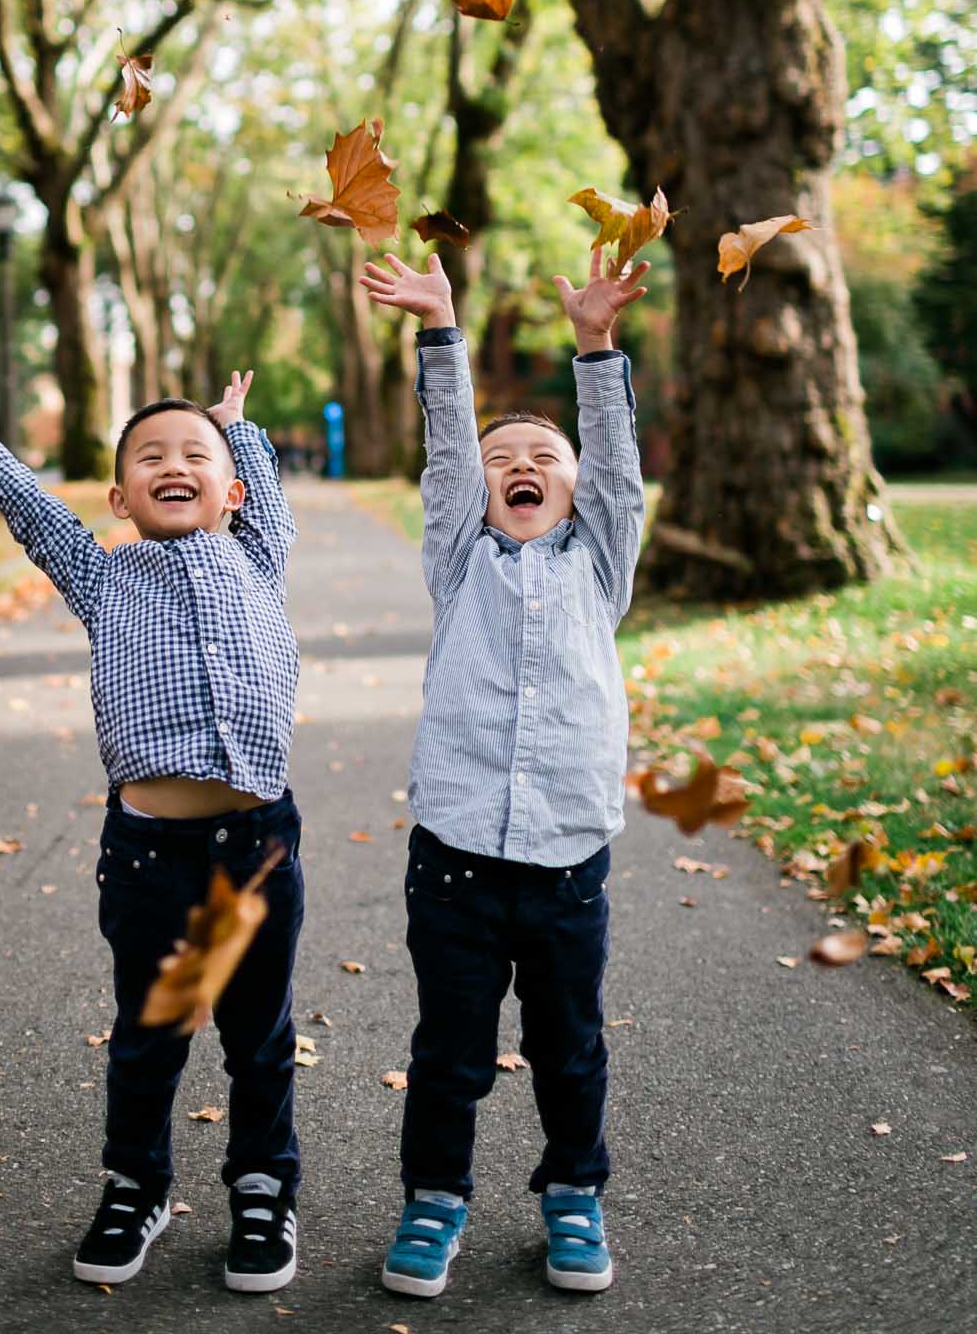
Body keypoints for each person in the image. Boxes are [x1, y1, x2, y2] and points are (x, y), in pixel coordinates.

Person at [0, 372, 303, 1295]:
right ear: (119, 497)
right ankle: (135, 1187)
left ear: (232, 490)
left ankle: (264, 1187)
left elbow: (262, 487)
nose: (174, 465)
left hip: (256, 845)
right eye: (150, 457)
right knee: (149, 1032)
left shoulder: (258, 556)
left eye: (197, 456)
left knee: (257, 1032)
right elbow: (36, 514)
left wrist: (241, 428)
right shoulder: (100, 571)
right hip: (151, 851)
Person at [357, 244, 648, 1298]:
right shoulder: (458, 556)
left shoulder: (601, 563)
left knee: (569, 1046)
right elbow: (446, 449)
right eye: (502, 455)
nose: (520, 461)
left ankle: (575, 1191)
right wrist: (441, 329)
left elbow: (616, 462)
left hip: (570, 857)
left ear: (575, 489)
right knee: (451, 1051)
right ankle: (434, 1198)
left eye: (543, 453)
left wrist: (594, 344)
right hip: (458, 858)